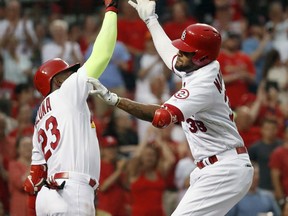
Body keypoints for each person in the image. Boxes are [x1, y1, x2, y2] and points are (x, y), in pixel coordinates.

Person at [88, 0, 254, 215]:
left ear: (202, 57)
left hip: (224, 168)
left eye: (186, 52)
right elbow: (170, 56)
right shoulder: (201, 65)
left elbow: (161, 118)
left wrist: (115, 100)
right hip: (216, 166)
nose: (180, 54)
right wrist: (151, 19)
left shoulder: (203, 84)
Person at [22, 0, 118, 215]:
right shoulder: (66, 93)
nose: (74, 74)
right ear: (57, 81)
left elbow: (35, 176)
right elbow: (102, 55)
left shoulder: (40, 115)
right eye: (68, 73)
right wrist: (111, 10)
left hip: (50, 195)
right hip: (72, 190)